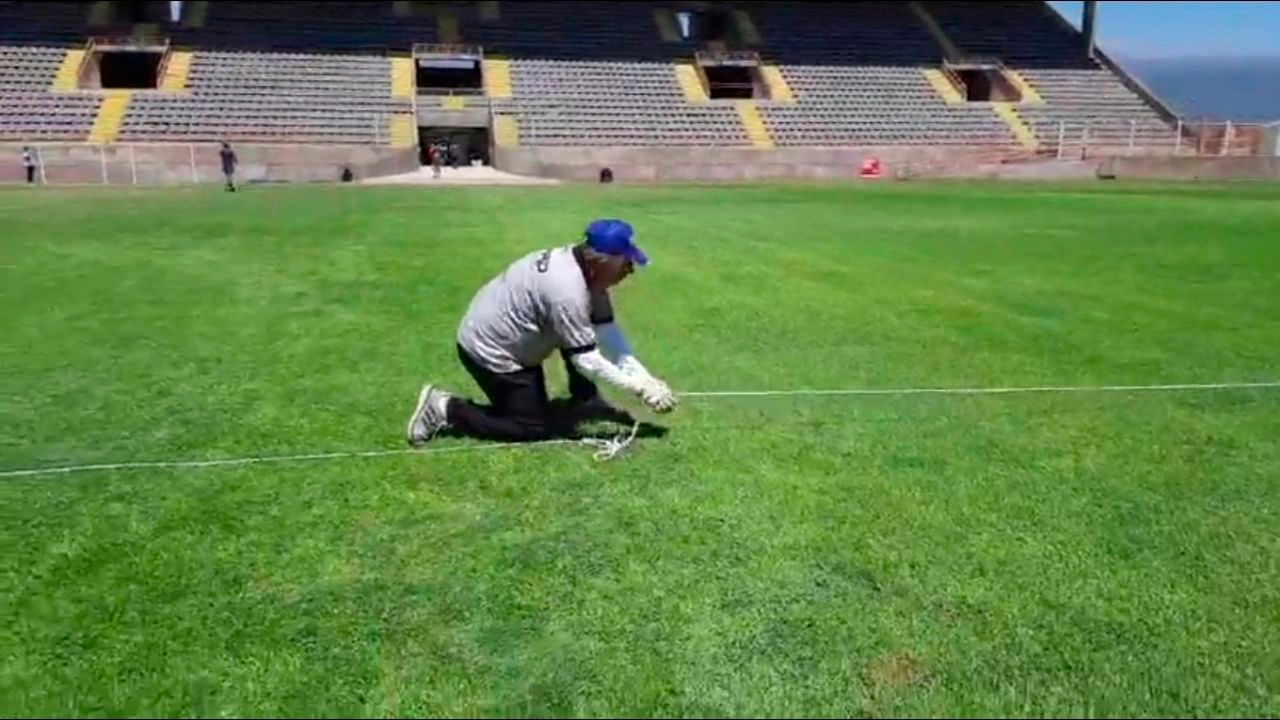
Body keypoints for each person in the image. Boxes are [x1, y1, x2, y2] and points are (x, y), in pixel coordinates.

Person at [406, 219, 677, 446]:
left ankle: (586, 402)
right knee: (530, 427)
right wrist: (639, 388)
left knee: (579, 335)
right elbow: (587, 361)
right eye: (625, 264)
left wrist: (647, 378)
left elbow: (608, 336)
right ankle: (445, 408)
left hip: (508, 333)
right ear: (602, 262)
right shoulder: (567, 292)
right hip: (491, 351)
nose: (629, 271)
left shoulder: (584, 271)